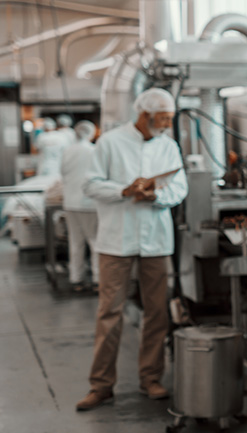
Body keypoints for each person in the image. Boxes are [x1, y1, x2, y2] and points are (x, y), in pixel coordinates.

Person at [75, 88, 188, 411]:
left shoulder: (169, 146)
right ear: (145, 115)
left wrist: (155, 196)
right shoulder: (110, 142)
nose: (167, 124)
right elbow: (90, 184)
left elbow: (179, 187)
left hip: (156, 240)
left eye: (169, 118)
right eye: (163, 118)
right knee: (109, 312)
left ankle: (150, 378)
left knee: (157, 311)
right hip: (116, 241)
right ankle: (101, 385)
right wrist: (124, 190)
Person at [60, 120, 99, 292]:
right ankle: (98, 279)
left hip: (70, 202)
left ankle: (76, 279)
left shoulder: (68, 151)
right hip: (89, 203)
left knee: (75, 242)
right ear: (91, 133)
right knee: (95, 241)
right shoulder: (94, 151)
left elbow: (62, 172)